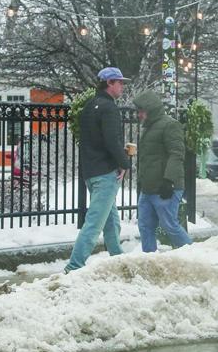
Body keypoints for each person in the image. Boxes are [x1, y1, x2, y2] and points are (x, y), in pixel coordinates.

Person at [65, 67, 132, 273]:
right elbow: (112, 141)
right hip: (105, 173)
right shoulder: (109, 108)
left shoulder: (88, 107)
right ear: (109, 83)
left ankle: (117, 258)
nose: (122, 86)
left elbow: (90, 141)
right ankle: (74, 266)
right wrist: (125, 163)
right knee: (94, 223)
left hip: (91, 172)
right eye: (119, 82)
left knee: (110, 219)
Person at [133, 91, 192, 252]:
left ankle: (195, 255)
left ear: (150, 109)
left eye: (141, 110)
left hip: (164, 187)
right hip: (148, 188)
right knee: (145, 226)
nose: (138, 114)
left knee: (170, 226)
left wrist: (169, 181)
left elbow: (177, 154)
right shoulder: (150, 127)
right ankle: (149, 259)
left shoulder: (170, 125)